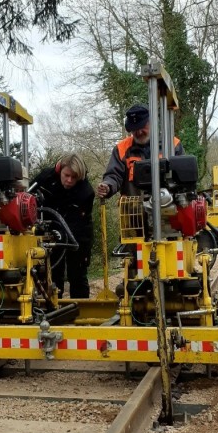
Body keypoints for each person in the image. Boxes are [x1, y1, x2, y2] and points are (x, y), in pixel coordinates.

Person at [33, 153, 95, 298]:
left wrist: (61, 233)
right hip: (49, 233)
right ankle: (52, 309)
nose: (69, 180)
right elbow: (28, 195)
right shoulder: (46, 178)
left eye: (74, 177)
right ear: (60, 170)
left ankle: (81, 310)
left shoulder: (86, 192)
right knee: (52, 274)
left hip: (78, 235)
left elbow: (78, 222)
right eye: (66, 175)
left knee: (77, 275)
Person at [97, 104, 184, 199]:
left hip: (167, 209)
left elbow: (182, 177)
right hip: (133, 211)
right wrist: (108, 185)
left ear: (152, 123)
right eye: (134, 129)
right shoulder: (121, 149)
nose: (138, 132)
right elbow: (114, 175)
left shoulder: (172, 145)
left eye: (142, 127)